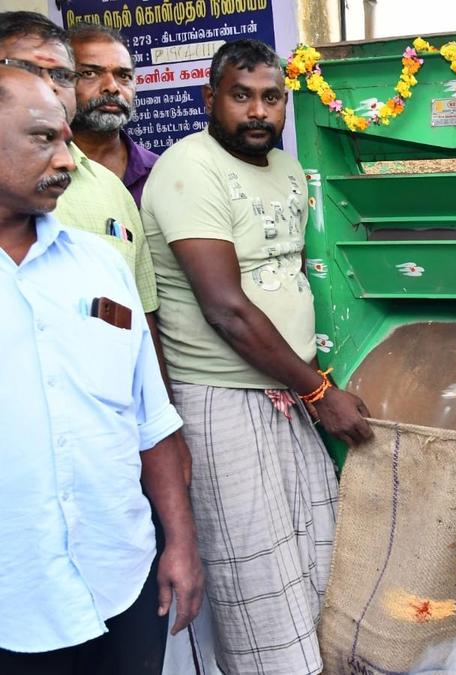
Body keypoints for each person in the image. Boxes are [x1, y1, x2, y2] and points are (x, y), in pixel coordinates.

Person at [140, 39, 373, 675]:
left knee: (315, 561)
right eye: (240, 95)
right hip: (223, 402)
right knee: (257, 589)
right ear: (209, 97)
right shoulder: (189, 170)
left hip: (287, 391)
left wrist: (305, 387)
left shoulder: (290, 170)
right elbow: (226, 308)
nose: (257, 111)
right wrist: (320, 392)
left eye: (271, 97)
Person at [0, 67, 203, 675]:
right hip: (17, 600)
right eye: (44, 140)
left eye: (67, 139)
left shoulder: (99, 265)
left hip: (121, 578)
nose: (68, 159)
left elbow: (150, 420)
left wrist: (181, 545)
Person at [0, 13, 158, 338]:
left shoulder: (111, 188)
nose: (47, 86)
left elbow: (140, 322)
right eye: (25, 70)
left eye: (61, 74)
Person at [67, 23, 158, 208]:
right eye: (90, 73)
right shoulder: (36, 172)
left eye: (124, 76)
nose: (112, 87)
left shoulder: (160, 173)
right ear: (59, 80)